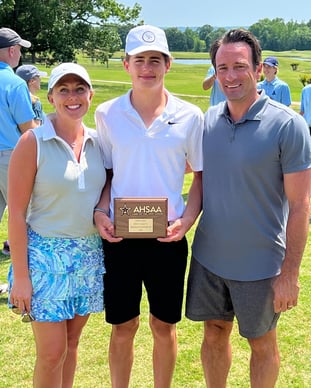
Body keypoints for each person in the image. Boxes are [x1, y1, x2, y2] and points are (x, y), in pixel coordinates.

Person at [186, 29, 311, 388]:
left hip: (261, 265)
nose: (230, 76)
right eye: (222, 67)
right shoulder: (207, 121)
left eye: (239, 66)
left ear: (258, 69)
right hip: (209, 258)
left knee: (261, 343)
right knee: (213, 332)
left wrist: (290, 273)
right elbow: (197, 180)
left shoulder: (289, 125)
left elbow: (301, 205)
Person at [94, 24, 204, 388]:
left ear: (168, 64)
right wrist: (99, 212)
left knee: (163, 325)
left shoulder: (190, 116)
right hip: (120, 238)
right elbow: (108, 173)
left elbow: (200, 176)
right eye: (139, 60)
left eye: (155, 59)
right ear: (126, 64)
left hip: (168, 237)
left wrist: (187, 220)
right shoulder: (107, 114)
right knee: (123, 325)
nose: (147, 68)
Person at [7, 63, 106, 388]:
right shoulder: (32, 142)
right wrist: (21, 277)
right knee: (51, 353)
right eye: (64, 90)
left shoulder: (98, 142)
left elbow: (108, 187)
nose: (72, 97)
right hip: (44, 260)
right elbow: (17, 213)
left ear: (90, 95)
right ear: (50, 96)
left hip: (87, 257)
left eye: (80, 89)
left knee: (71, 346)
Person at [0, 27, 38, 257]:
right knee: (23, 215)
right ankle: (23, 279)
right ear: (12, 50)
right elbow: (28, 129)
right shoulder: (14, 83)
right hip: (10, 158)